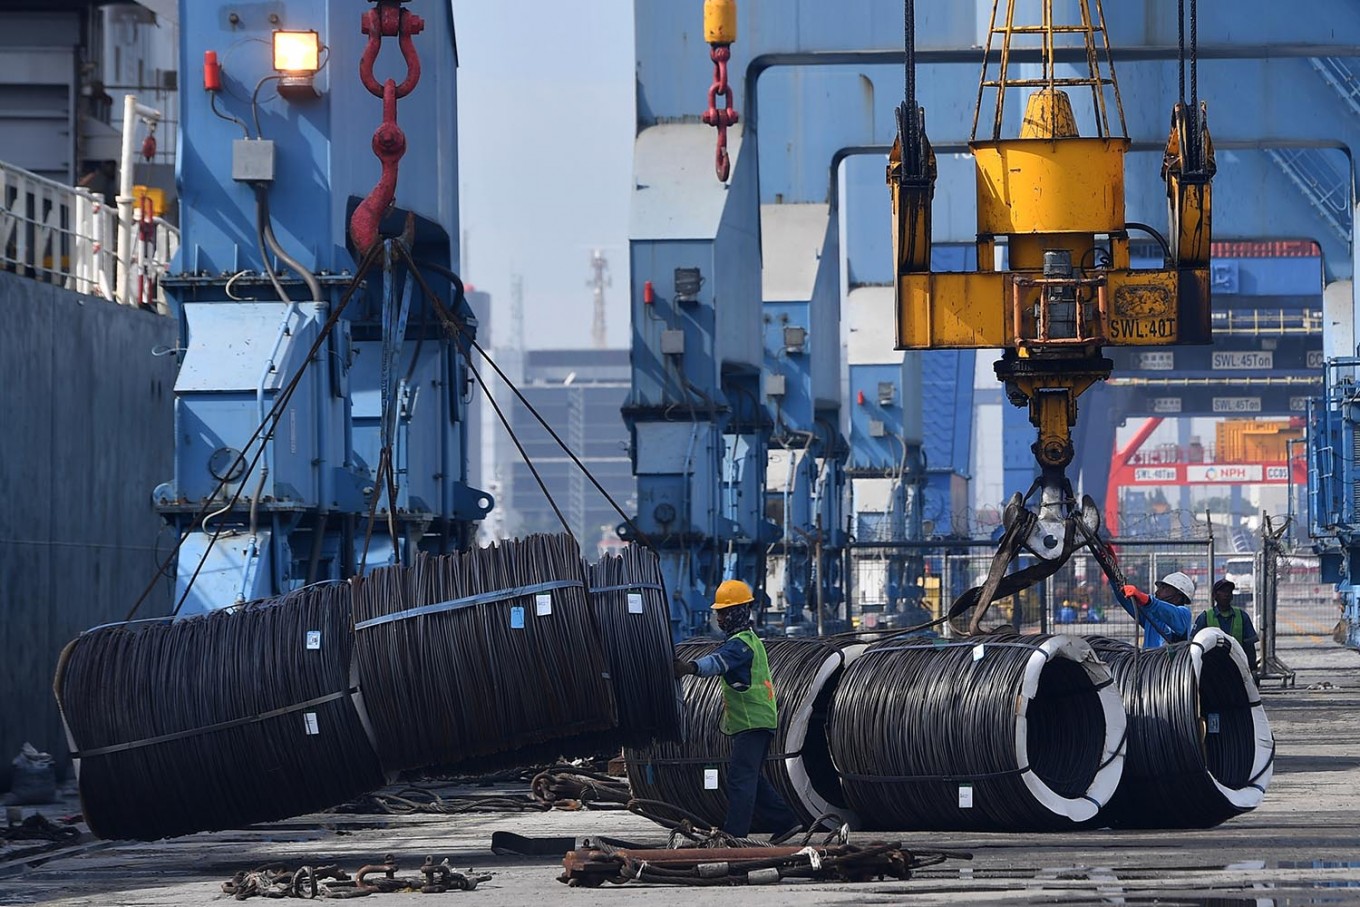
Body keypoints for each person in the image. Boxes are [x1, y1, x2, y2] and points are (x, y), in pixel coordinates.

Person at [673, 579, 802, 839]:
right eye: (717, 613)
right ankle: (785, 822)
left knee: (740, 780)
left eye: (723, 612)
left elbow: (718, 662)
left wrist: (689, 668)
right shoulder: (749, 640)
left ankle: (735, 835)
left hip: (753, 722)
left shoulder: (741, 644)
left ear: (737, 612)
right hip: (755, 722)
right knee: (750, 777)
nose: (719, 618)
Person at [1193, 579, 1260, 676]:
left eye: (1229, 592)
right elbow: (1195, 646)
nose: (1227, 594)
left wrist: (1252, 669)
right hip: (1212, 670)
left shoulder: (1242, 616)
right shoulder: (1205, 617)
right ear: (1214, 596)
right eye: (1223, 591)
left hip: (1238, 667)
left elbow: (1249, 647)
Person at [1118, 570, 1195, 647]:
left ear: (1178, 596)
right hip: (1147, 658)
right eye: (1159, 588)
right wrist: (1113, 575)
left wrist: (1146, 600)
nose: (1157, 592)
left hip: (1169, 659)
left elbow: (1168, 613)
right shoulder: (1152, 616)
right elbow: (1127, 602)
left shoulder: (1184, 615)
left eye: (1164, 588)